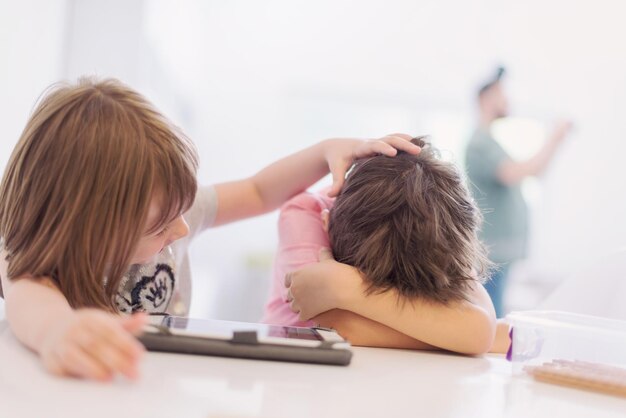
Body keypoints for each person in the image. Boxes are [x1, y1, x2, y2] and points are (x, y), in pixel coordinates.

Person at [0, 77, 419, 381]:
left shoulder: (164, 208)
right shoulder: (31, 261)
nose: (182, 228)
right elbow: (30, 300)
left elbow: (257, 191)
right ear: (92, 229)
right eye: (162, 225)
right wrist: (58, 331)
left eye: (182, 211)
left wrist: (326, 149)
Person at [264, 137, 498, 355]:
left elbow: (478, 330)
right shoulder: (305, 214)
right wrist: (453, 337)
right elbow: (339, 327)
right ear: (325, 223)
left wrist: (345, 286)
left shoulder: (434, 227)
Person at [464, 67, 571, 317]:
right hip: (492, 251)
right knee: (491, 317)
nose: (507, 100)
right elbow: (517, 172)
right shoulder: (480, 143)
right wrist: (555, 137)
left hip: (500, 251)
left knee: (493, 313)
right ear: (485, 99)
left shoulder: (490, 142)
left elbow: (533, 171)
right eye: (501, 94)